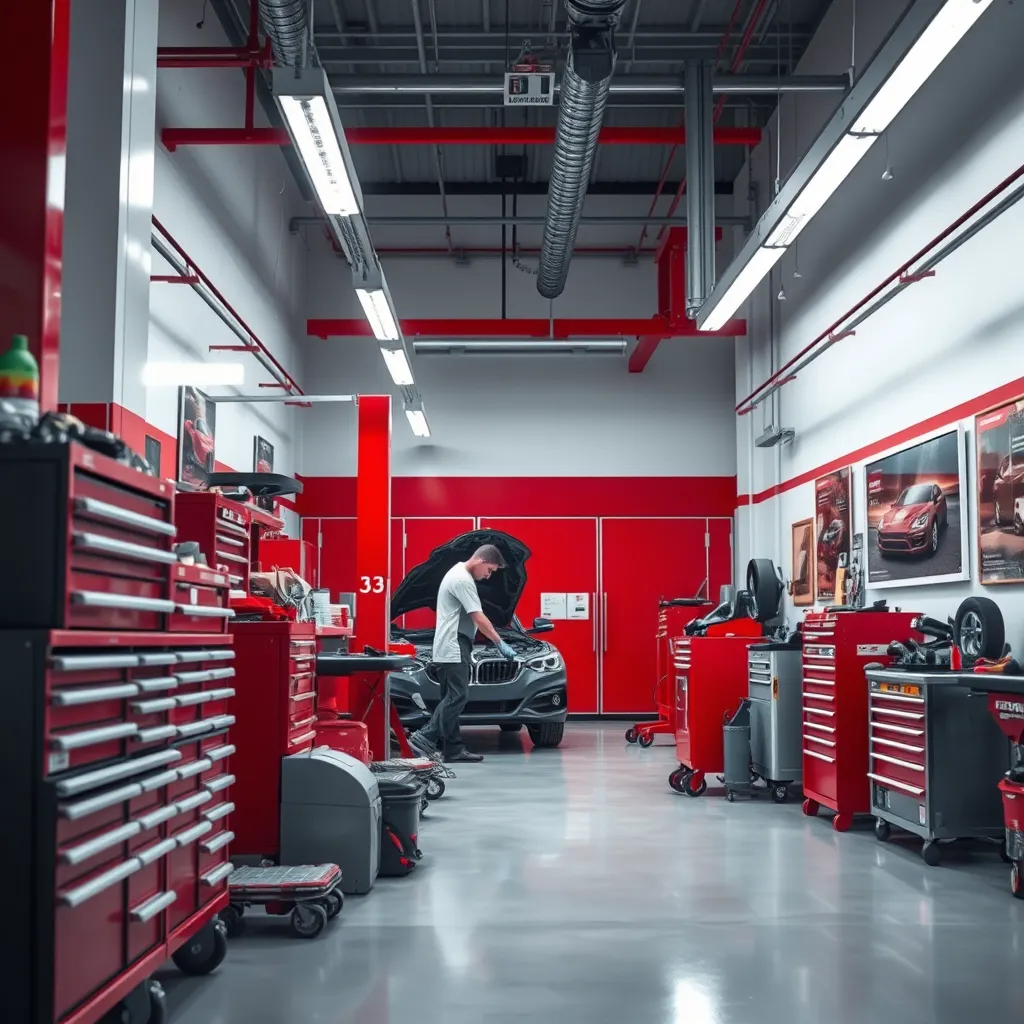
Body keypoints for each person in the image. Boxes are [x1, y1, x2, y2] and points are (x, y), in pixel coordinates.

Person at [409, 544, 517, 763]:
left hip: (452, 644)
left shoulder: (458, 574)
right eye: (490, 570)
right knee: (457, 697)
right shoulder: (462, 580)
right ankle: (424, 736)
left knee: (450, 697)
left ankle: (453, 749)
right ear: (480, 561)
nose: (488, 576)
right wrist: (500, 643)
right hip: (453, 645)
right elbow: (478, 617)